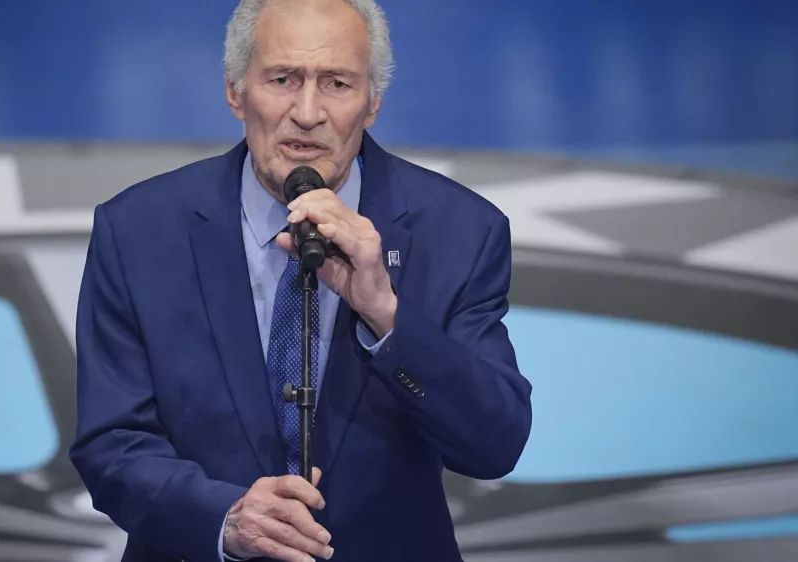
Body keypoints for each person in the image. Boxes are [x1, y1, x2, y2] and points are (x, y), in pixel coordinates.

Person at [69, 0, 533, 560]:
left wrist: (387, 316)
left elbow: (494, 445)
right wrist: (225, 520)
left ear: (373, 103)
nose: (307, 111)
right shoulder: (137, 230)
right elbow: (111, 443)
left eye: (337, 83)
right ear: (236, 91)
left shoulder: (460, 232)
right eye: (283, 79)